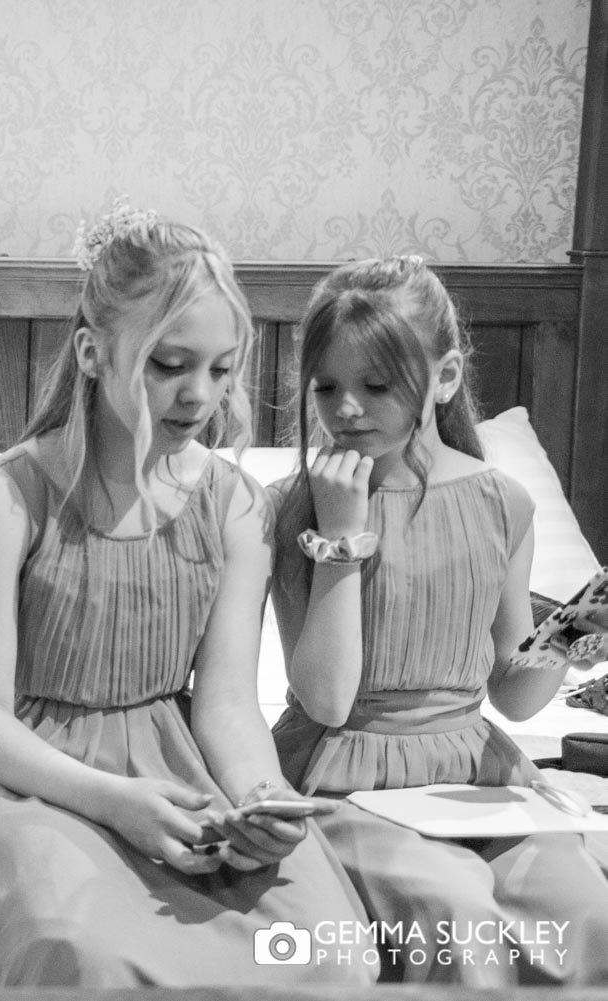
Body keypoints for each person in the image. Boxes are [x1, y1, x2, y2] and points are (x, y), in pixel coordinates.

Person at [0, 207, 377, 986]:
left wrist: (259, 796)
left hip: (181, 767)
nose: (200, 395)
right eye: (169, 364)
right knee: (78, 952)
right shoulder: (7, 497)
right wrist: (115, 799)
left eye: (222, 369)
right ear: (95, 352)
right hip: (46, 779)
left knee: (327, 947)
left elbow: (227, 702)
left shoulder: (233, 502)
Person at [268, 255, 608, 985]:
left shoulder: (501, 501)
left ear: (445, 377)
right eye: (325, 386)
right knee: (455, 916)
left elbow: (512, 694)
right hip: (345, 775)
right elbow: (325, 698)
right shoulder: (292, 506)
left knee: (590, 913)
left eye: (376, 385)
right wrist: (342, 537)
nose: (345, 408)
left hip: (475, 773)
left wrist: (576, 632)